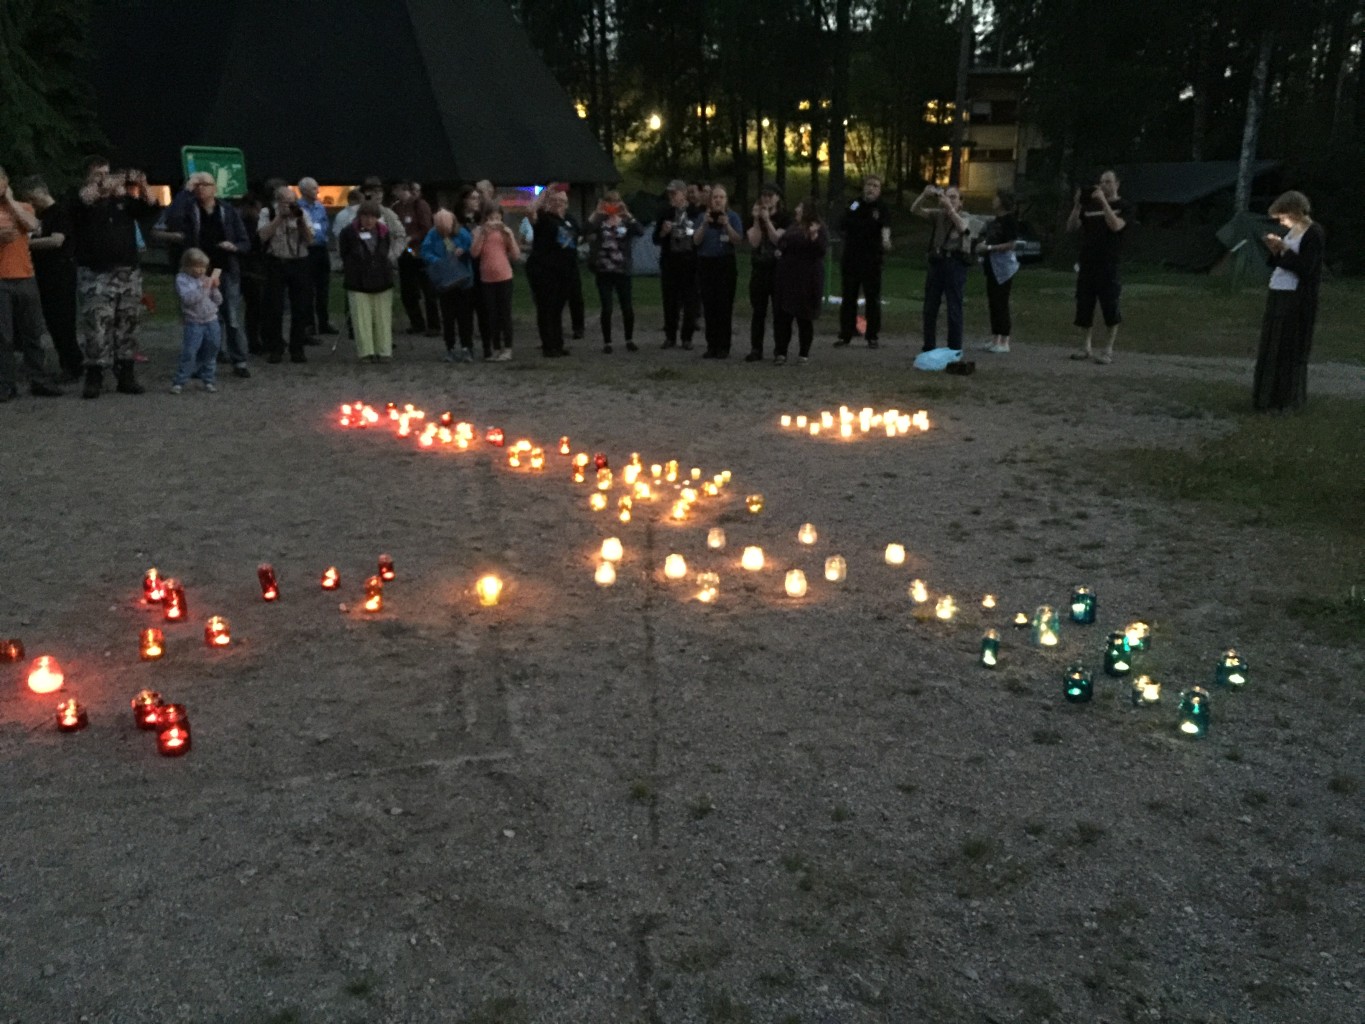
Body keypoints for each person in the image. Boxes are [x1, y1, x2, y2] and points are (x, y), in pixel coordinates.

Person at [70, 165, 161, 397]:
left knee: (128, 323)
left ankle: (126, 373)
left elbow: (152, 206)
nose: (106, 179)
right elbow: (83, 200)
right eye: (98, 174)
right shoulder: (83, 203)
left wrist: (141, 183)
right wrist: (101, 185)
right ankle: (95, 374)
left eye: (107, 174)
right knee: (97, 325)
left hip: (127, 272)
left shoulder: (123, 203)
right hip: (96, 273)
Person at [162, 172, 252, 378]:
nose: (200, 188)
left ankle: (239, 360)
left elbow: (244, 241)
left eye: (205, 184)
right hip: (198, 271)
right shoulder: (187, 208)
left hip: (224, 269)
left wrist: (234, 247)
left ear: (214, 188)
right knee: (201, 318)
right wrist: (185, 191)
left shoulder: (228, 211)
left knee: (231, 317)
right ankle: (205, 361)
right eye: (197, 185)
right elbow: (171, 218)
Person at [1254, 190, 1324, 413]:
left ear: (1294, 211)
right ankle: (1266, 397)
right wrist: (1276, 250)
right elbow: (1282, 261)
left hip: (1296, 297)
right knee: (1272, 343)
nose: (1281, 222)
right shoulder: (1293, 232)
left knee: (1287, 346)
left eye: (1283, 216)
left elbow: (1306, 268)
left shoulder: (1313, 233)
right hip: (1279, 290)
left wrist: (1284, 250)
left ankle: (1285, 399)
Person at [0, 166, 64, 400]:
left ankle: (38, 379)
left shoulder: (24, 207)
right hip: (1, 280)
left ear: (6, 181)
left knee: (33, 332)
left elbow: (33, 226)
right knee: (3, 336)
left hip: (25, 276)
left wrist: (10, 201)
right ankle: (6, 384)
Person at [17, 175, 82, 381]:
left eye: (31, 198)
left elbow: (56, 241)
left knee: (63, 321)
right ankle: (66, 363)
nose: (30, 203)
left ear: (40, 192)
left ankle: (72, 365)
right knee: (53, 322)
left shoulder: (60, 213)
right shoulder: (41, 216)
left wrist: (23, 245)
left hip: (61, 273)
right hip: (45, 274)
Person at [1066, 169, 1131, 364]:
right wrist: (1078, 204)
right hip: (1087, 263)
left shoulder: (1123, 206)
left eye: (1108, 182)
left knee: (1110, 305)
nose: (1103, 185)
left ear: (1117, 184)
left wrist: (1104, 203)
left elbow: (1116, 226)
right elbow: (1071, 227)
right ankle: (1085, 347)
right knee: (1084, 305)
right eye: (1101, 182)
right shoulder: (1089, 206)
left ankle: (1108, 349)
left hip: (1108, 263)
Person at [911, 184, 971, 353]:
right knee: (930, 307)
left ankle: (954, 349)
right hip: (937, 263)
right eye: (946, 196)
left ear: (961, 202)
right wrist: (924, 195)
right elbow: (915, 210)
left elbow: (963, 228)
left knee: (954, 307)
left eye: (953, 197)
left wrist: (950, 209)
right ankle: (928, 347)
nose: (949, 200)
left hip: (955, 264)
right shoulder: (938, 215)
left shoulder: (965, 216)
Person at [258, 184, 313, 363]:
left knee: (300, 306)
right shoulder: (267, 213)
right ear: (278, 201)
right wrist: (279, 218)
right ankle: (276, 347)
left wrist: (300, 221)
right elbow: (262, 236)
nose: (290, 205)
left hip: (299, 262)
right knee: (274, 307)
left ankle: (297, 348)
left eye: (292, 201)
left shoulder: (302, 213)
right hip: (276, 262)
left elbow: (310, 240)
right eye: (286, 201)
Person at [835, 175, 892, 348]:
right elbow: (843, 222)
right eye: (868, 185)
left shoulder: (882, 208)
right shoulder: (855, 204)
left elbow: (886, 227)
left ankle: (872, 336)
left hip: (872, 260)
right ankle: (846, 334)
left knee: (872, 299)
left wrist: (886, 240)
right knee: (848, 298)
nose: (871, 189)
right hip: (851, 259)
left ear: (879, 190)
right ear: (863, 187)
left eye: (875, 186)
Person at [771, 198, 828, 366]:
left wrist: (813, 236)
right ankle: (781, 352)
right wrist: (780, 250)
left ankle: (804, 353)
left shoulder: (818, 228)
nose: (796, 210)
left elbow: (821, 250)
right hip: (788, 278)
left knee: (804, 318)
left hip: (807, 280)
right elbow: (783, 241)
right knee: (783, 317)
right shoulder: (794, 227)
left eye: (800, 207)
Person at [585, 190, 644, 354]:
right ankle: (607, 342)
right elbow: (585, 230)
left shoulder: (625, 222)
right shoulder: (600, 222)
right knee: (607, 308)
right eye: (609, 201)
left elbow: (640, 231)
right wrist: (597, 213)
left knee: (627, 307)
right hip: (604, 271)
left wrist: (628, 215)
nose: (613, 204)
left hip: (622, 271)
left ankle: (629, 339)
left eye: (616, 201)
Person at [338, 200, 396, 362]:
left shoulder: (384, 231)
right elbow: (344, 253)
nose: (369, 220)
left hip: (382, 279)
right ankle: (366, 352)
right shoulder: (348, 232)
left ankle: (384, 351)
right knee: (361, 319)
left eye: (372, 217)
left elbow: (386, 251)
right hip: (358, 281)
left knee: (382, 318)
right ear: (360, 217)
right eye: (365, 217)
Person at [692, 185, 743, 359]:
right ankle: (711, 345)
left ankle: (724, 346)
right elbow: (695, 241)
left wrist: (727, 225)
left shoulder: (733, 217)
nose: (718, 200)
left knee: (724, 306)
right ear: (710, 200)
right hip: (706, 263)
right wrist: (704, 225)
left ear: (726, 200)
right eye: (715, 197)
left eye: (722, 197)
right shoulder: (702, 217)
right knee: (709, 305)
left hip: (725, 263)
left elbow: (738, 240)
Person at [527, 186, 577, 357]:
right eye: (555, 200)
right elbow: (530, 210)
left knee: (557, 308)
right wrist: (546, 192)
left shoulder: (568, 221)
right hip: (544, 270)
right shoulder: (544, 218)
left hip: (564, 271)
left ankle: (558, 343)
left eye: (562, 201)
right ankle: (548, 346)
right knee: (546, 308)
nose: (558, 203)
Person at [420, 209, 475, 362]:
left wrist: (463, 251)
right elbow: (425, 251)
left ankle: (467, 347)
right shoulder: (432, 234)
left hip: (463, 282)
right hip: (445, 282)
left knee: (465, 317)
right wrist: (437, 261)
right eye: (440, 229)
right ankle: (449, 348)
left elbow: (473, 249)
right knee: (447, 317)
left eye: (447, 229)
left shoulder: (463, 233)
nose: (444, 232)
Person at [744, 182, 791, 361]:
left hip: (778, 270)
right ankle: (756, 348)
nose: (766, 199)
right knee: (758, 312)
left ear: (777, 198)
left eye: (770, 195)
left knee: (779, 312)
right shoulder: (754, 216)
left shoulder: (784, 218)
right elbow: (754, 242)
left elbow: (777, 239)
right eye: (763, 195)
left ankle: (780, 349)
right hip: (759, 269)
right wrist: (757, 220)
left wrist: (768, 221)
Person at [653, 179, 701, 349]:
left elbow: (700, 236)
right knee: (670, 301)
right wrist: (663, 232)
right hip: (670, 262)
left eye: (674, 193)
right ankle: (670, 336)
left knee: (690, 302)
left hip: (689, 262)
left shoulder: (695, 212)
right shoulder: (665, 213)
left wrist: (690, 232)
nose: (671, 196)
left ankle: (687, 337)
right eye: (669, 193)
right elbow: (655, 239)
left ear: (684, 193)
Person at [469, 204, 519, 360]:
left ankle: (508, 348)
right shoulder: (478, 232)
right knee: (492, 315)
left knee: (505, 314)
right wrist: (483, 234)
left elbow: (515, 255)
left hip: (504, 276)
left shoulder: (505, 232)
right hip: (487, 278)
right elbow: (474, 253)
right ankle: (496, 347)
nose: (494, 221)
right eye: (491, 217)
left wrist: (509, 235)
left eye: (497, 217)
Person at [170, 248, 223, 393]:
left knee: (211, 350)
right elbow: (188, 299)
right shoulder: (182, 279)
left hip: (211, 320)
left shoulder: (205, 279)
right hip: (194, 322)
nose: (201, 270)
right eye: (197, 267)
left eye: (203, 267)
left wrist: (215, 288)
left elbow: (218, 301)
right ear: (187, 266)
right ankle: (180, 381)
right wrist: (203, 287)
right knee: (190, 352)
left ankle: (208, 379)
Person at [392, 180, 439, 336]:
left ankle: (434, 325)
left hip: (419, 250)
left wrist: (411, 237)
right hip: (405, 250)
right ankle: (416, 322)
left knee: (427, 289)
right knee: (408, 290)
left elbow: (426, 227)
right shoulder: (396, 207)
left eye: (398, 190)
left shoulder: (420, 205)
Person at [978, 190, 1020, 354]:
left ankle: (1005, 340)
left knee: (1001, 302)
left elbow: (1011, 244)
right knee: (993, 302)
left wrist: (990, 248)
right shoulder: (995, 220)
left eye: (996, 198)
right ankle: (995, 338)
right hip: (991, 265)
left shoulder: (1010, 220)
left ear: (1003, 201)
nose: (993, 200)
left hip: (1003, 267)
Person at [296, 177, 337, 337]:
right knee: (307, 289)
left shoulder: (320, 207)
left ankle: (324, 322)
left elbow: (325, 225)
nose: (317, 191)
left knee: (323, 288)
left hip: (321, 249)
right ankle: (309, 324)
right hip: (307, 251)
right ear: (304, 190)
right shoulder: (298, 208)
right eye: (314, 188)